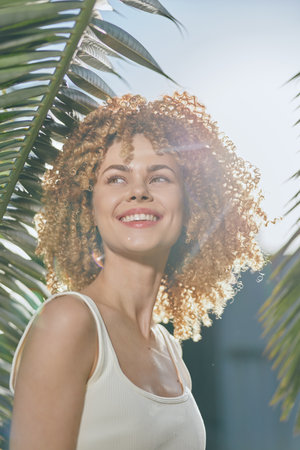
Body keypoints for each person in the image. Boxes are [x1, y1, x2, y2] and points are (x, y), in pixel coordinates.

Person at [8, 91, 268, 449]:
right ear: (87, 204)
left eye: (159, 177)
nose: (138, 192)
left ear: (192, 203)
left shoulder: (169, 349)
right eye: (116, 178)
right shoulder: (70, 322)